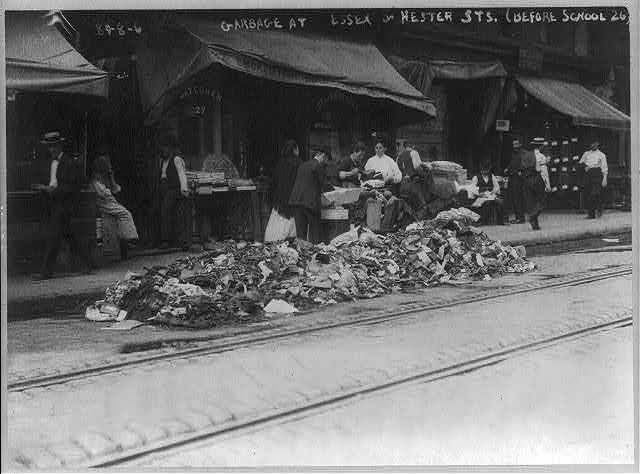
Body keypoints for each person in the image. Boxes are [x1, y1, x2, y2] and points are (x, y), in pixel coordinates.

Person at [35, 131, 94, 279]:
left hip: (64, 205)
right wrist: (42, 188)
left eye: (54, 147)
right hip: (51, 204)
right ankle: (88, 262)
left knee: (54, 236)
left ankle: (46, 271)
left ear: (60, 146)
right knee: (69, 235)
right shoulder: (48, 163)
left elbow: (75, 187)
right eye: (49, 147)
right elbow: (48, 181)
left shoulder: (69, 163)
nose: (52, 150)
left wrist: (53, 191)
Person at [91, 154, 139, 259]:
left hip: (109, 202)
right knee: (125, 213)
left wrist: (111, 176)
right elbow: (104, 194)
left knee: (120, 217)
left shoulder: (105, 179)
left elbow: (116, 189)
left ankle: (125, 242)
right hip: (103, 203)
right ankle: (130, 238)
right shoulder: (95, 181)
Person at [288, 148, 329, 243]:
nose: (326, 162)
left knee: (300, 235)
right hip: (310, 203)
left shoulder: (303, 165)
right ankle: (314, 254)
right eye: (326, 159)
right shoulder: (317, 166)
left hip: (296, 201)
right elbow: (325, 185)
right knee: (314, 233)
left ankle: (302, 254)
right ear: (323, 156)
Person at [264, 139, 301, 241]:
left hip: (279, 204)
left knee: (275, 234)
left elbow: (273, 184)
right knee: (293, 234)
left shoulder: (280, 164)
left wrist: (271, 200)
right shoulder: (300, 164)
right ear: (295, 150)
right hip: (294, 204)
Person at [158, 135, 190, 249]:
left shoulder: (176, 160)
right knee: (167, 213)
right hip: (166, 189)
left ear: (171, 149)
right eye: (163, 148)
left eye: (167, 148)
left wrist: (184, 189)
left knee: (167, 212)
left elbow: (182, 174)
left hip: (174, 189)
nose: (164, 150)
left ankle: (171, 240)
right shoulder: (162, 162)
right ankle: (169, 240)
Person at [396, 139, 433, 213]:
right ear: (411, 146)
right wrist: (425, 173)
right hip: (414, 185)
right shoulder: (413, 153)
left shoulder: (398, 157)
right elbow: (416, 167)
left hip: (402, 186)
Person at [522, 137, 551, 230]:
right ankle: (532, 217)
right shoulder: (542, 157)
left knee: (531, 202)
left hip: (527, 180)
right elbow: (544, 172)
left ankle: (535, 224)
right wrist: (548, 185)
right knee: (541, 201)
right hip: (537, 179)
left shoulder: (526, 155)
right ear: (541, 146)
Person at [579, 140, 608, 219]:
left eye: (595, 144)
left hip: (597, 174)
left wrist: (604, 179)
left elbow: (604, 168)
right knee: (588, 193)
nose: (593, 145)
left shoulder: (601, 155)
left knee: (595, 193)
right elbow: (580, 163)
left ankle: (599, 208)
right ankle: (591, 214)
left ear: (598, 145)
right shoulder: (586, 154)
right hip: (588, 175)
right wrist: (585, 167)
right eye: (592, 144)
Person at [471, 160, 505, 225]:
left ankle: (500, 221)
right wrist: (479, 194)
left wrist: (493, 191)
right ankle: (484, 222)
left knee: (500, 202)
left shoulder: (491, 176)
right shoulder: (476, 177)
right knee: (487, 203)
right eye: (484, 170)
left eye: (486, 170)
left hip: (490, 195)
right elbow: (473, 188)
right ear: (481, 170)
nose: (485, 172)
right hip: (481, 196)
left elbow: (496, 186)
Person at [504, 138, 526, 223]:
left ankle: (521, 218)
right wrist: (507, 168)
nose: (515, 146)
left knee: (518, 198)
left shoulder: (523, 153)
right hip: (513, 177)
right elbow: (512, 163)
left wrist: (520, 171)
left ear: (520, 144)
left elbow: (524, 164)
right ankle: (518, 217)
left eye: (516, 144)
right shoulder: (514, 154)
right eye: (514, 144)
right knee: (514, 198)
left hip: (519, 178)